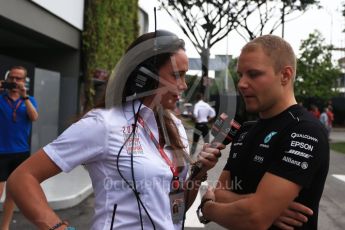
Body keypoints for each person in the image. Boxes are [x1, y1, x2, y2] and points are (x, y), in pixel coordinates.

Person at [7, 30, 223, 230]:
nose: (184, 85)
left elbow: (175, 210)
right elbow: (22, 178)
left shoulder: (176, 127)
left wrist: (199, 173)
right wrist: (58, 228)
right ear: (143, 76)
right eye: (177, 75)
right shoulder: (104, 124)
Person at [198, 35, 329, 229]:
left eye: (253, 74)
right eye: (240, 74)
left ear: (285, 75)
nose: (241, 83)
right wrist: (262, 206)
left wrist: (207, 207)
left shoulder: (305, 131)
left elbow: (255, 218)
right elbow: (220, 192)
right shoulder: (245, 131)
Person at [0, 66, 39, 230]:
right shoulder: (1, 97)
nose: (14, 81)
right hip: (1, 152)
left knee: (12, 194)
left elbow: (34, 117)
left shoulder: (29, 100)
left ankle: (5, 227)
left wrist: (25, 98)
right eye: (12, 78)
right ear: (7, 79)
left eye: (18, 78)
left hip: (21, 152)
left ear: (24, 81)